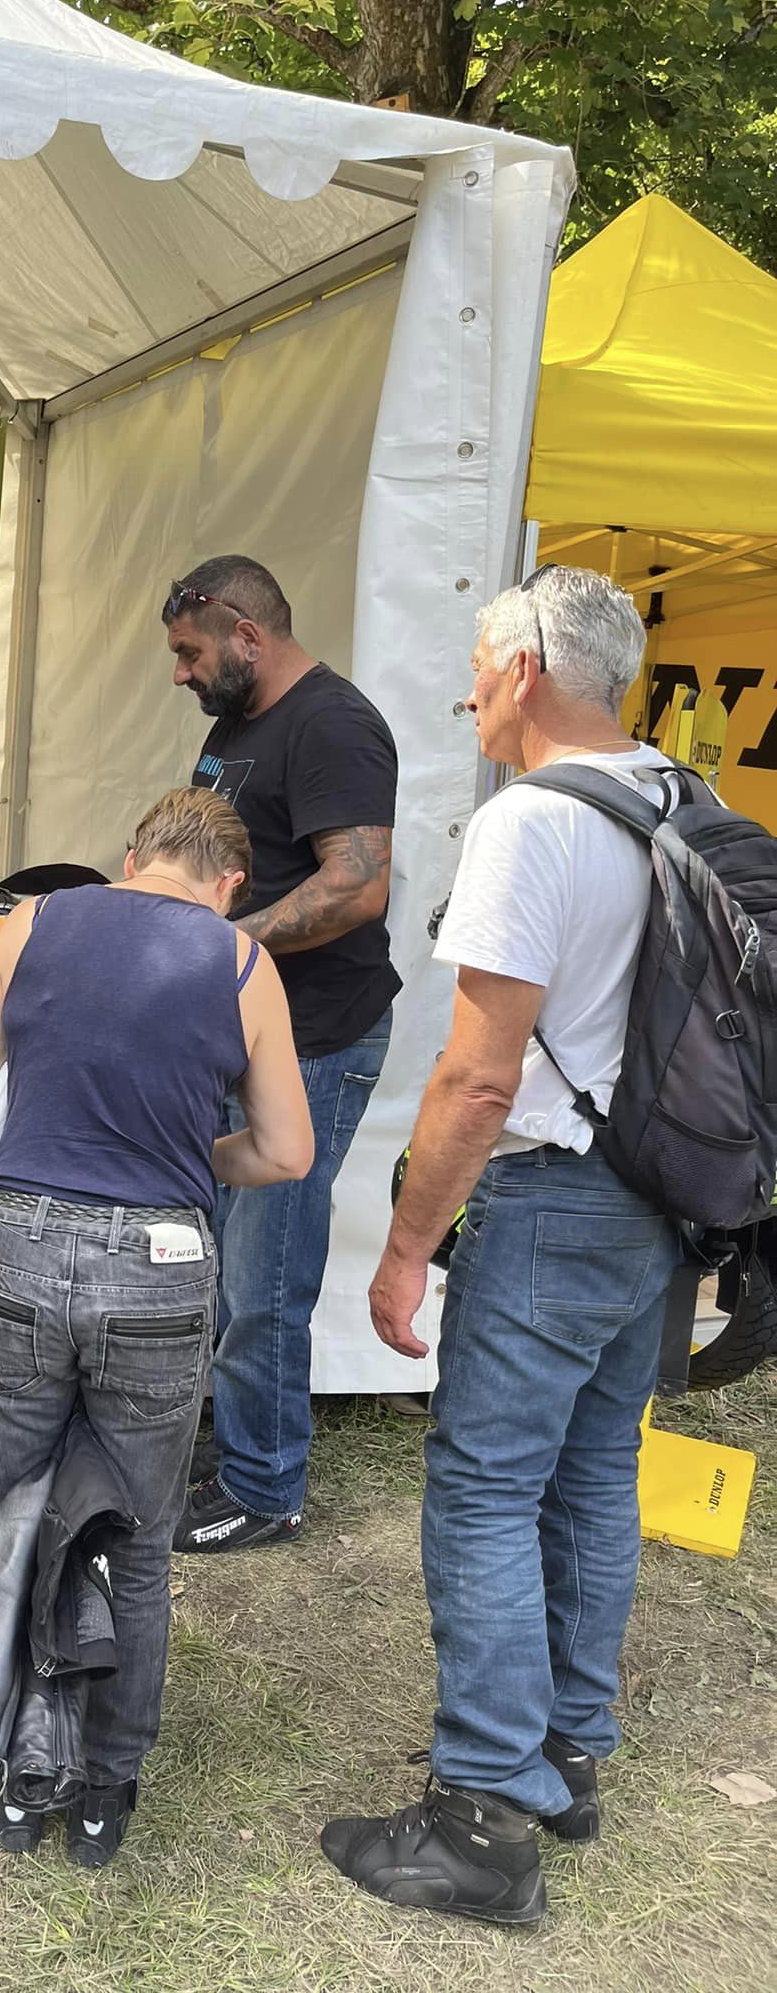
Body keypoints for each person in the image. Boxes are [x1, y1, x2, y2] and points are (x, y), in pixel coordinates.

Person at [320, 567, 682, 1926]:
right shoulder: (673, 798)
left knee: (481, 1489)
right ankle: (566, 1758)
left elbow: (478, 1081)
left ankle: (481, 1816)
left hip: (550, 1203)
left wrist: (409, 1243)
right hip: (655, 1199)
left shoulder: (532, 822)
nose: (465, 689)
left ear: (527, 672)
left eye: (478, 664)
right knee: (592, 1477)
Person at [0, 788, 314, 1865]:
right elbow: (286, 1150)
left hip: (16, 1241)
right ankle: (106, 1786)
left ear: (130, 856)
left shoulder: (38, 919)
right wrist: (199, 1158)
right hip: (159, 1265)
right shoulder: (244, 964)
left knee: (12, 1514)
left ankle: (17, 1771)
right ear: (231, 884)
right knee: (137, 1544)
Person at [162, 555, 400, 1553]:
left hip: (312, 1042)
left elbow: (357, 885)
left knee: (266, 1272)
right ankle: (243, 1442)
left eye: (188, 650)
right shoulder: (235, 727)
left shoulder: (333, 723)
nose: (179, 671)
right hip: (242, 1036)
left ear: (245, 631)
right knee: (221, 1262)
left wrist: (225, 943)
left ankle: (265, 1487)